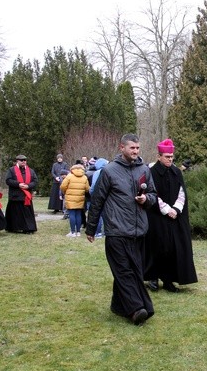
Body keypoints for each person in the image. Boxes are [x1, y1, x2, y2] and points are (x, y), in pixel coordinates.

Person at [85, 134, 157, 325]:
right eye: (132, 148)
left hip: (138, 231)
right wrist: (91, 228)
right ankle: (137, 309)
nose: (135, 151)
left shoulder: (144, 170)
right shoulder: (109, 171)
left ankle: (118, 306)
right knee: (124, 271)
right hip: (117, 230)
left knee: (134, 270)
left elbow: (153, 195)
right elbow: (97, 200)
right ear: (122, 148)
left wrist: (146, 199)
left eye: (137, 148)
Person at [144, 138, 198, 293]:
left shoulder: (176, 172)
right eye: (167, 156)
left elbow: (182, 192)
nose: (170, 159)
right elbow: (152, 193)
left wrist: (176, 209)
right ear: (159, 156)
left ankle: (169, 279)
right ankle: (153, 277)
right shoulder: (151, 172)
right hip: (157, 216)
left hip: (175, 217)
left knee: (173, 248)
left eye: (172, 156)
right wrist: (167, 209)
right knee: (156, 246)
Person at [5, 154, 39, 234]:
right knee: (15, 213)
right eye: (21, 160)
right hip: (15, 195)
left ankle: (28, 228)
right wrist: (18, 184)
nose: (23, 162)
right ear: (17, 161)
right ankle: (14, 228)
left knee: (27, 214)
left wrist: (28, 186)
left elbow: (35, 181)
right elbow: (8, 180)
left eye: (25, 160)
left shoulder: (30, 171)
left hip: (26, 196)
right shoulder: (11, 170)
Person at [60, 163, 90, 237]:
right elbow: (87, 189)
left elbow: (62, 186)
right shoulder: (84, 177)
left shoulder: (69, 176)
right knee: (78, 214)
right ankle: (78, 232)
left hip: (70, 198)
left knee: (72, 214)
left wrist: (65, 192)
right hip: (80, 198)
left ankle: (73, 232)